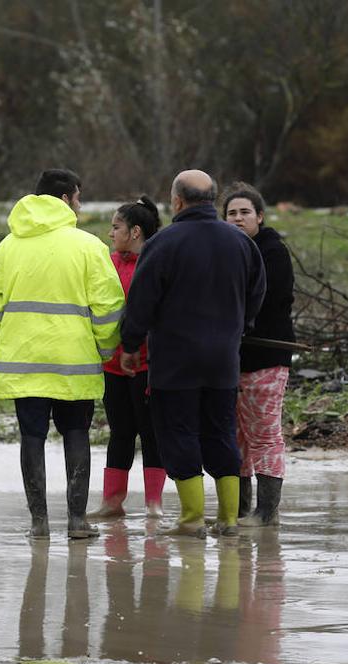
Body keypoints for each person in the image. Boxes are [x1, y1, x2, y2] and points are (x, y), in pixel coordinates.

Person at [0, 168, 126, 541]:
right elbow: (109, 308)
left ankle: (39, 522)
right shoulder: (89, 246)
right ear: (65, 198)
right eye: (77, 197)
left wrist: (9, 336)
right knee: (76, 433)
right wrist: (104, 348)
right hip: (74, 364)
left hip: (22, 363)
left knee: (32, 438)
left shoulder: (7, 246)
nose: (79, 205)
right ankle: (77, 521)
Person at [120, 170, 265, 538]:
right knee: (221, 433)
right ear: (214, 201)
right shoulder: (241, 243)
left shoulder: (164, 243)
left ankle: (192, 519)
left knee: (179, 433)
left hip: (175, 361)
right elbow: (256, 292)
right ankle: (229, 519)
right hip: (223, 360)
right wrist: (240, 325)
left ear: (177, 202)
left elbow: (141, 302)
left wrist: (131, 345)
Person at [223, 182, 295, 527]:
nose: (238, 219)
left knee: (264, 433)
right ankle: (240, 509)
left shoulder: (272, 251)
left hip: (267, 356)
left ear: (260, 217)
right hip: (230, 359)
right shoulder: (225, 249)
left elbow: (268, 300)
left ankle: (267, 512)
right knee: (235, 436)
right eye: (231, 213)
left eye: (244, 213)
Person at [92, 196, 165, 520]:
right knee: (120, 431)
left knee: (152, 432)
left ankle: (154, 505)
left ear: (135, 231)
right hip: (112, 364)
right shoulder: (107, 262)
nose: (110, 233)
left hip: (150, 363)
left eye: (116, 226)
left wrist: (138, 350)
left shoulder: (157, 261)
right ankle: (112, 501)